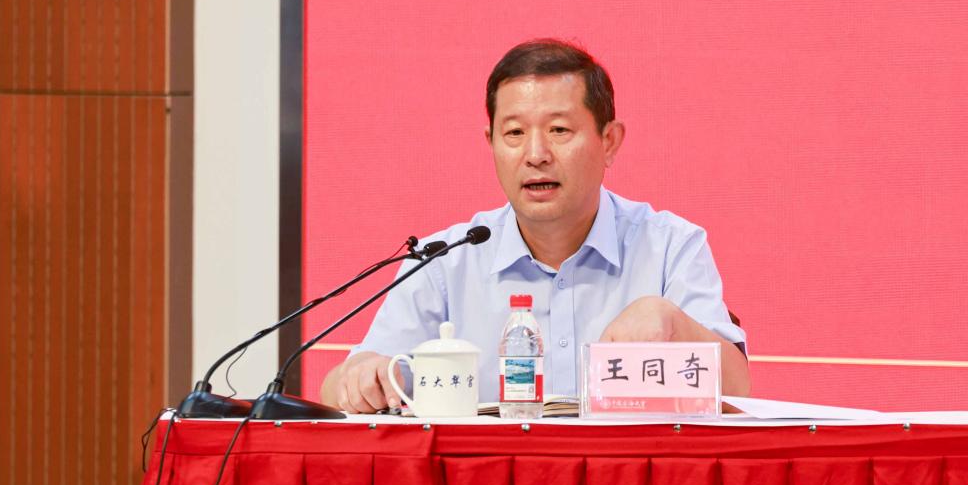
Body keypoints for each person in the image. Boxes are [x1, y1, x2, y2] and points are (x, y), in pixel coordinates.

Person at [321, 39, 750, 412]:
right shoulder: (444, 262)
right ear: (490, 142)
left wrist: (672, 321)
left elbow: (737, 394)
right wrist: (359, 378)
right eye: (514, 133)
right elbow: (341, 387)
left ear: (609, 141)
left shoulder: (669, 247)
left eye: (559, 129)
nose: (536, 154)